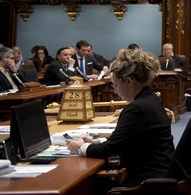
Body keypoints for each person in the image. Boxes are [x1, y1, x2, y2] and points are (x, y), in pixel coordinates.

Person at [66, 49, 174, 187]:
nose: (115, 91)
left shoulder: (137, 108)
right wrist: (96, 140)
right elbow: (127, 139)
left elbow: (110, 150)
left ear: (128, 81)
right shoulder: (150, 100)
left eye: (116, 85)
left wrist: (80, 147)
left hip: (144, 184)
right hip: (158, 174)